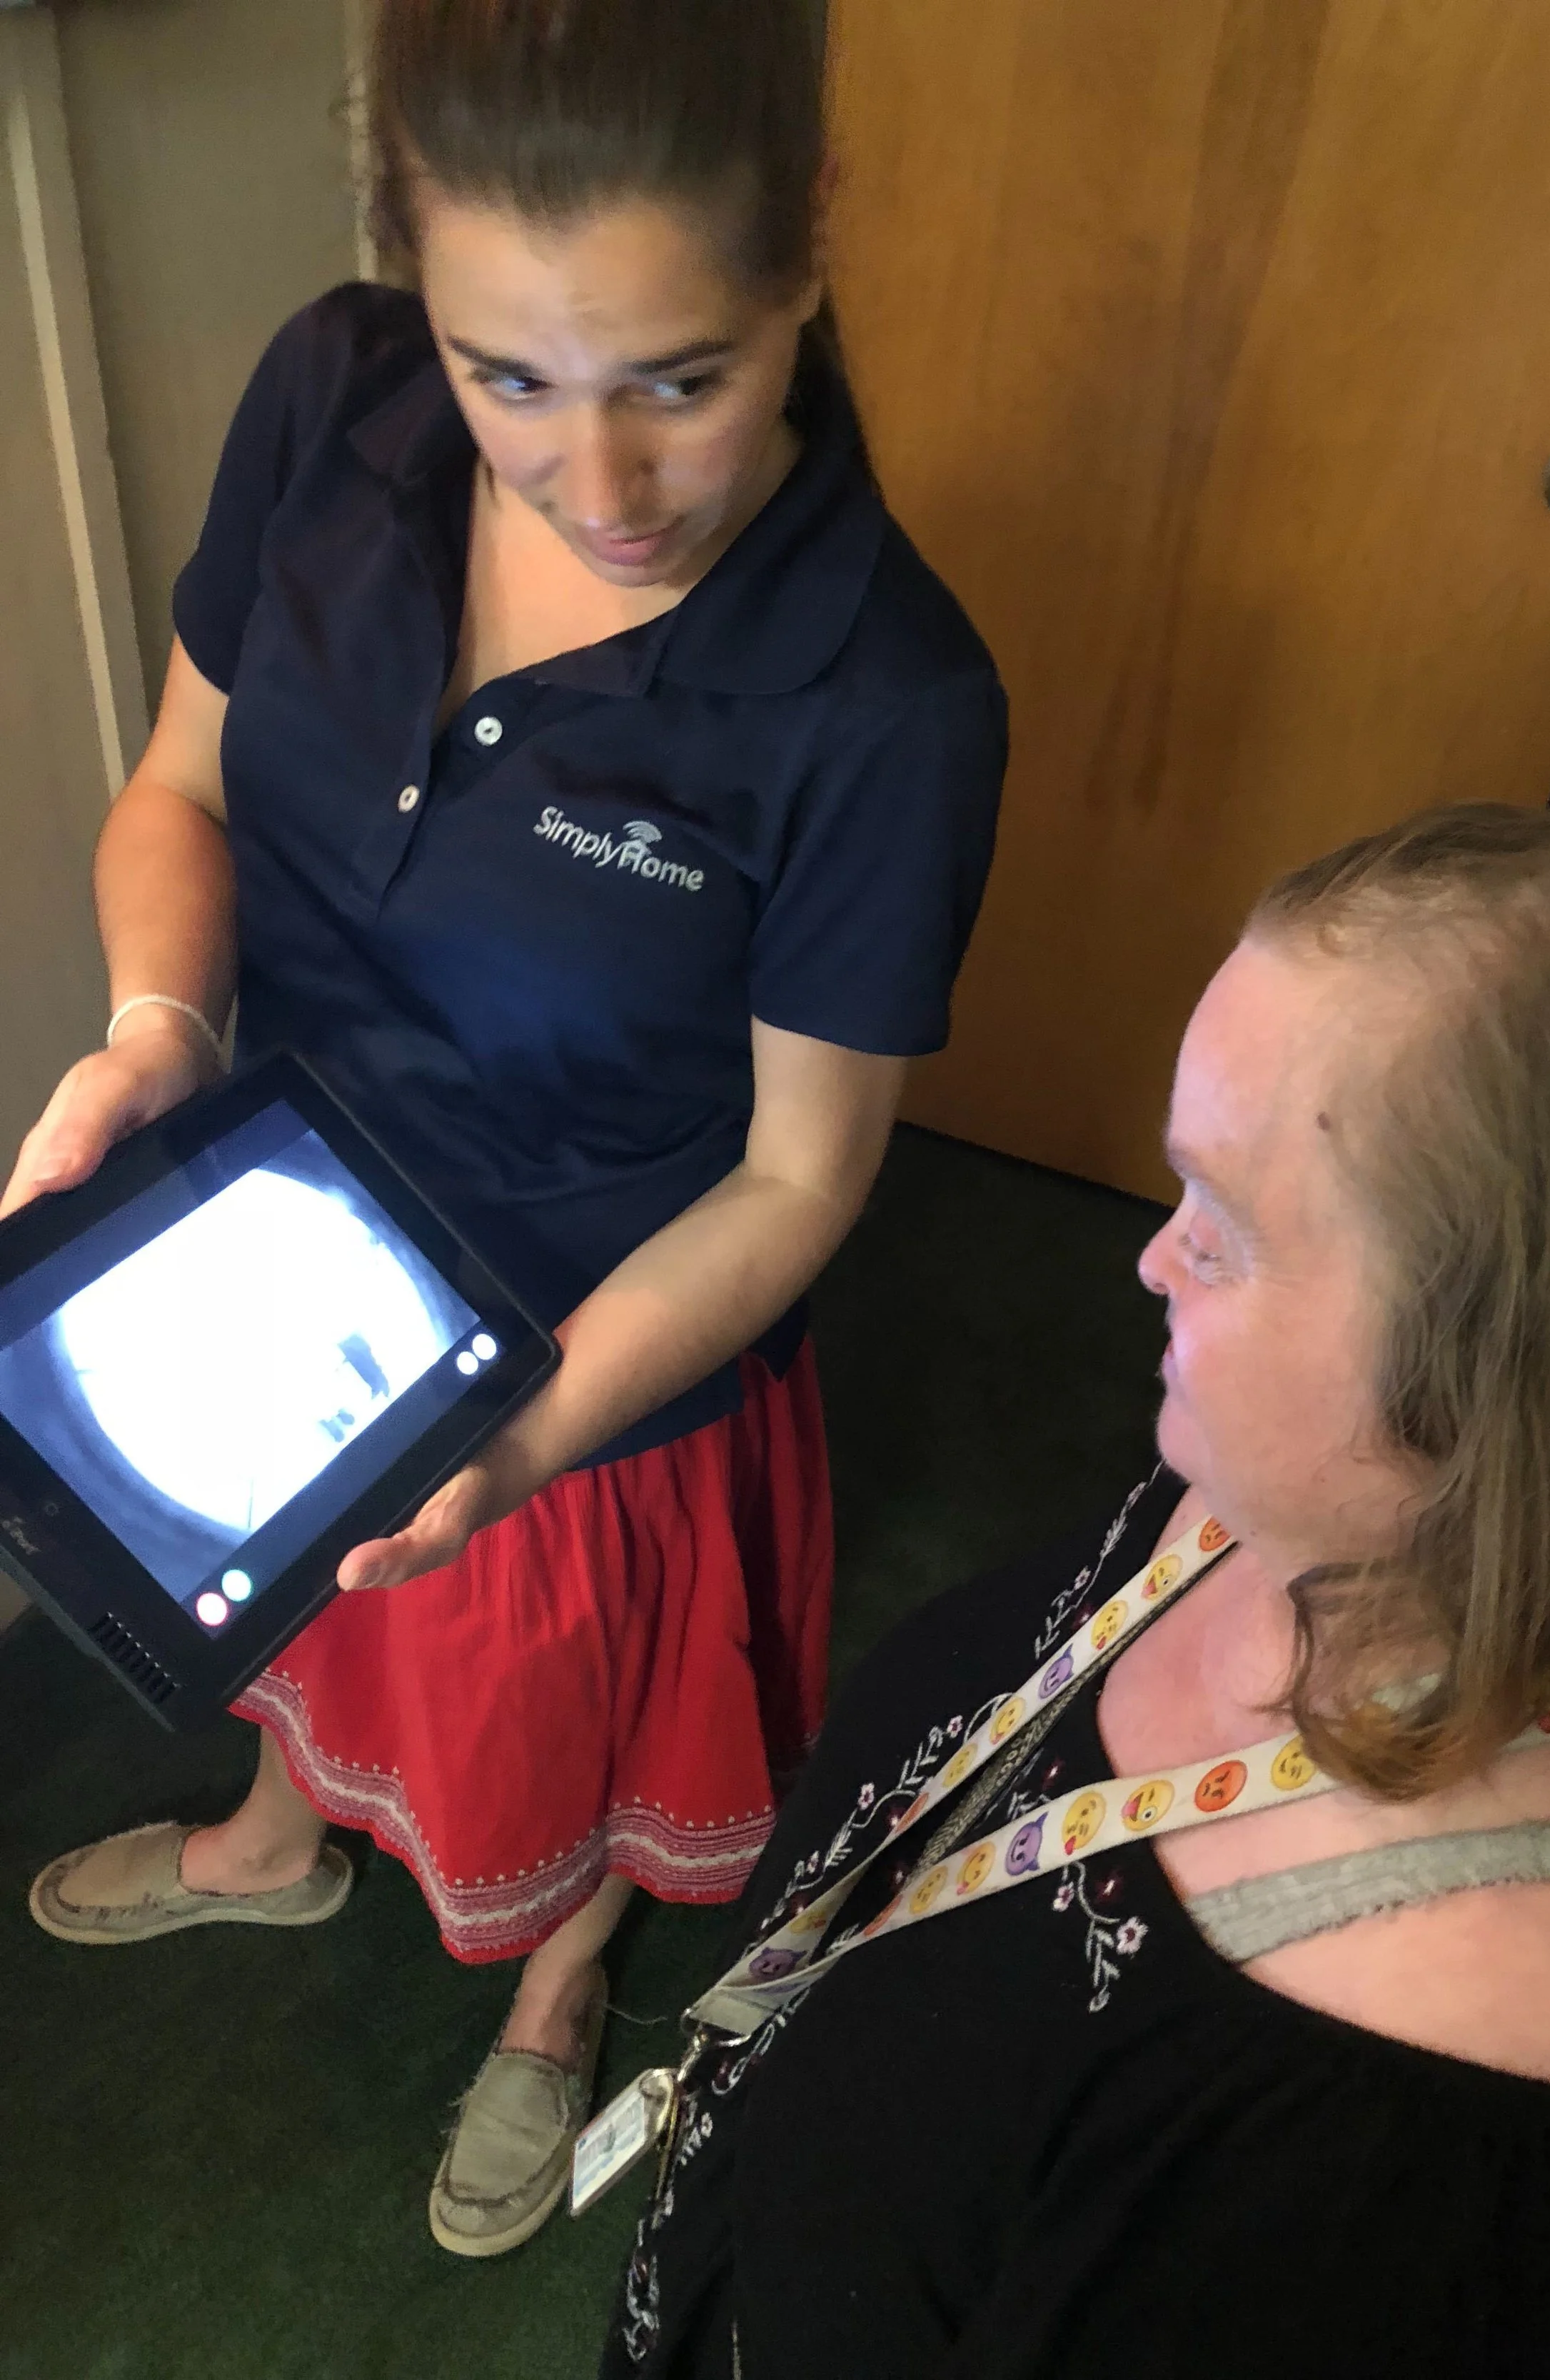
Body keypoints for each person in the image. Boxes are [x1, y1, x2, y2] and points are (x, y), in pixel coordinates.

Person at [15, 0, 1005, 2259]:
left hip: (600, 1348)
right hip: (287, 1242)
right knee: (304, 1615)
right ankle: (281, 1836)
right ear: (413, 295)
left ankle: (560, 1978)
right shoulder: (327, 395)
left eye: (681, 378)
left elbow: (800, 1174)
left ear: (805, 249)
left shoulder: (885, 701)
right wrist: (158, 1027)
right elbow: (181, 787)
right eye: (510, 379)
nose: (600, 480)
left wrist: (533, 1436)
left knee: (561, 1706)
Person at [605, 803, 1550, 2379]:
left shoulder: (1393, 2209)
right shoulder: (1286, 1495)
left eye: (1221, 1234)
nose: (1151, 1262)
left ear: (1535, 1370)